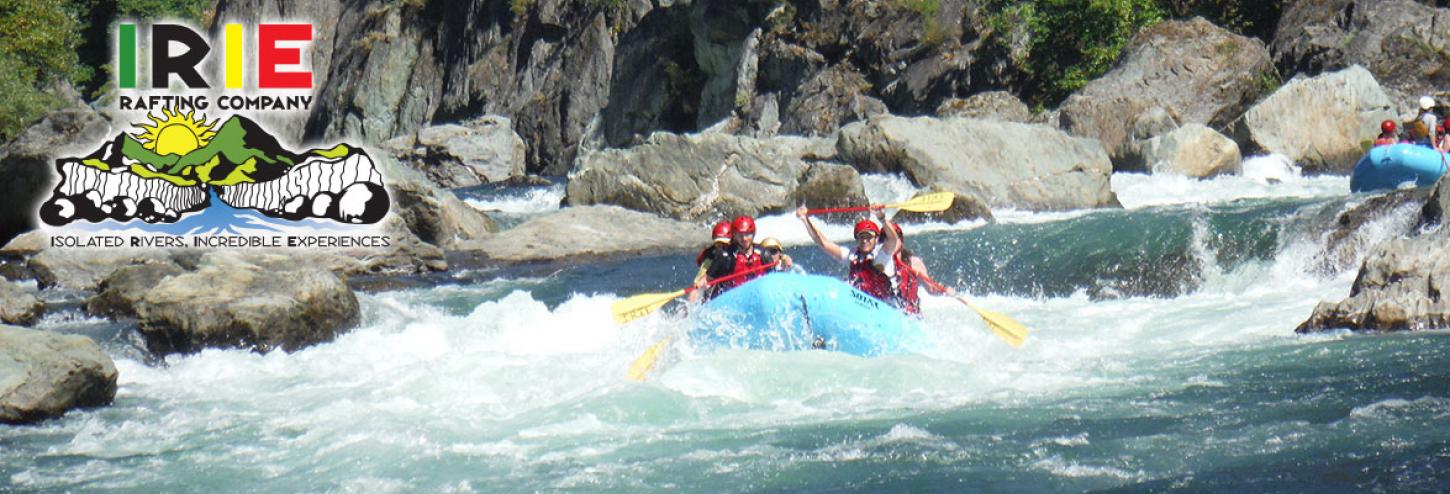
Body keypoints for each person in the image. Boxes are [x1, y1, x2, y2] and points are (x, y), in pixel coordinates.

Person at [796, 206, 899, 302]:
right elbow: (823, 243)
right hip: (862, 303)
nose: (864, 241)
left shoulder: (883, 253)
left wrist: (882, 218)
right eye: (861, 237)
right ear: (856, 239)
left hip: (886, 304)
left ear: (876, 238)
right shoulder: (852, 255)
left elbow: (892, 238)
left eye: (869, 237)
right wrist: (805, 220)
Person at [883, 221, 955, 316]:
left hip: (909, 316)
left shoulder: (913, 262)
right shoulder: (879, 261)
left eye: (894, 239)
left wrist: (944, 290)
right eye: (886, 239)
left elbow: (931, 289)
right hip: (886, 310)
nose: (891, 243)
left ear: (901, 241)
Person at [689, 220, 735, 303]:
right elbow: (697, 285)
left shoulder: (736, 250)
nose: (721, 248)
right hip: (715, 286)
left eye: (724, 244)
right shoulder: (710, 256)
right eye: (718, 244)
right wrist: (691, 305)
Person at [719, 215, 767, 291]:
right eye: (740, 235)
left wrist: (784, 260)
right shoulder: (727, 256)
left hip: (759, 291)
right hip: (734, 295)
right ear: (734, 236)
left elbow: (775, 275)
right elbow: (707, 280)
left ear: (753, 234)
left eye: (748, 234)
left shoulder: (763, 253)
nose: (744, 238)